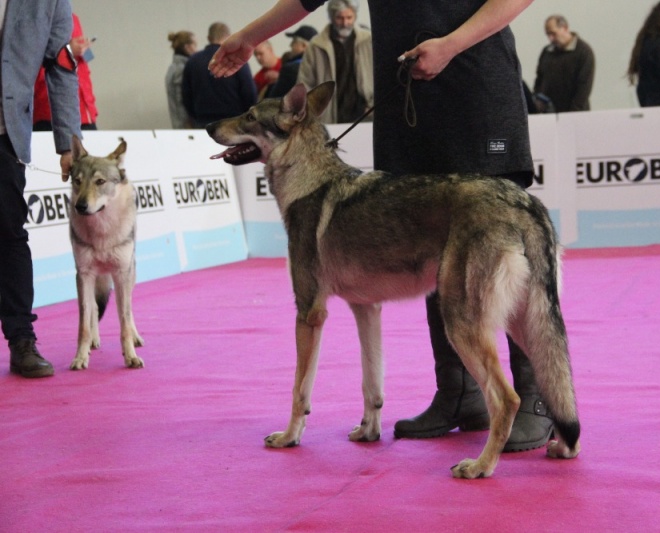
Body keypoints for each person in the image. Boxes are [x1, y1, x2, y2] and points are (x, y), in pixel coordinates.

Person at [210, 0, 554, 453]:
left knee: (496, 253)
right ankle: (461, 395)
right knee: (430, 253)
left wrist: (451, 45)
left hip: (475, 89)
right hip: (408, 106)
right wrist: (248, 37)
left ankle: (537, 400)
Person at [1, 0, 81, 378]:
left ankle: (21, 339)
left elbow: (61, 64)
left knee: (10, 236)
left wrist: (68, 142)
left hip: (5, 133)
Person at [296, 0, 373, 124]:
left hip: (365, 116)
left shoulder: (368, 41)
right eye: (339, 18)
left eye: (349, 17)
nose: (345, 23)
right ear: (332, 17)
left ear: (355, 16)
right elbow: (305, 83)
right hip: (329, 117)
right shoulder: (316, 45)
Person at [182, 22, 257, 128]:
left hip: (203, 121)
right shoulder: (235, 59)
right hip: (233, 121)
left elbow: (186, 96)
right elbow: (249, 91)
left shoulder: (193, 61)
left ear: (209, 37)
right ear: (229, 37)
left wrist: (196, 116)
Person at [32, 13, 98, 131]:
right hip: (50, 112)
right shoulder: (33, 18)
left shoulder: (73, 18)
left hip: (85, 113)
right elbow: (31, 60)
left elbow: (84, 63)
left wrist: (84, 50)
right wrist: (67, 50)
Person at [533, 15, 595, 113]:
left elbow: (584, 88)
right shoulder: (546, 51)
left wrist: (572, 114)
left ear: (565, 28)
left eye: (553, 33)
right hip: (548, 115)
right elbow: (539, 80)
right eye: (548, 35)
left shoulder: (584, 52)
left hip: (576, 114)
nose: (551, 38)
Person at [266, 25, 318, 99]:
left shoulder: (289, 69)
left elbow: (273, 100)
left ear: (304, 46)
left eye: (293, 42)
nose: (290, 45)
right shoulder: (320, 68)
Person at [165, 30, 198, 129]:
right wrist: (188, 122)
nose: (197, 49)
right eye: (195, 45)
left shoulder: (172, 67)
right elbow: (181, 99)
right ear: (187, 47)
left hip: (178, 122)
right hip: (184, 125)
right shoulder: (182, 69)